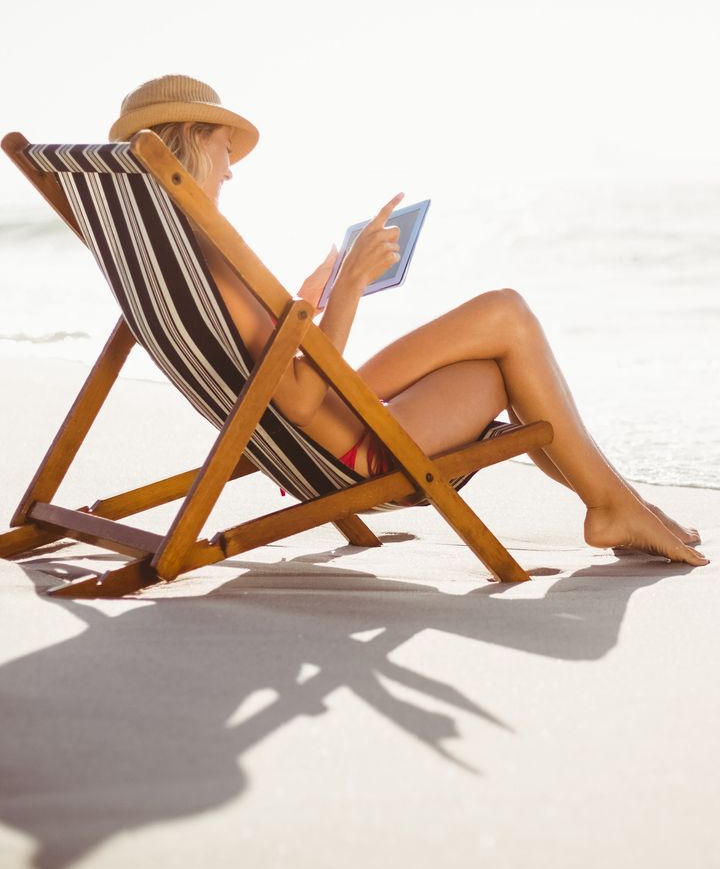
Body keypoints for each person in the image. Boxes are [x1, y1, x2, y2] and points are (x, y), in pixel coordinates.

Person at [109, 75, 707, 567]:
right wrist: (348, 290)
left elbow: (261, 361)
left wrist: (310, 302)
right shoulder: (207, 247)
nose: (231, 169)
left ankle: (620, 504)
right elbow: (293, 398)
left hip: (322, 424)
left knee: (503, 318)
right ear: (188, 137)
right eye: (223, 150)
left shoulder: (166, 245)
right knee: (507, 325)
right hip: (345, 448)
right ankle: (616, 506)